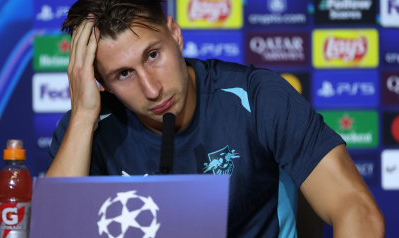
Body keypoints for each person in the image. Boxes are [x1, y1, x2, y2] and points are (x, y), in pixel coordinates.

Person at [45, 0, 385, 237]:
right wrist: (84, 115)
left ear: (174, 34)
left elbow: (356, 210)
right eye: (122, 74)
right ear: (99, 83)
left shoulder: (257, 97)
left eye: (152, 55)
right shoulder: (87, 126)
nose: (152, 89)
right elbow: (54, 232)